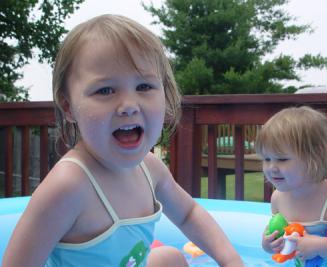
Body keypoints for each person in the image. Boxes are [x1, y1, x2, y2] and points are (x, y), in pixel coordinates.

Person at [2, 14, 243, 267]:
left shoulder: (150, 169)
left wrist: (231, 261)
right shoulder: (68, 186)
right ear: (68, 107)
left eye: (144, 87)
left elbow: (188, 214)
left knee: (170, 259)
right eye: (105, 90)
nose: (129, 105)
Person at [255, 106, 327, 266]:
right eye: (266, 159)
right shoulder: (278, 198)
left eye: (282, 159)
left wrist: (320, 246)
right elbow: (280, 244)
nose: (271, 167)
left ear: (313, 158)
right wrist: (269, 245)